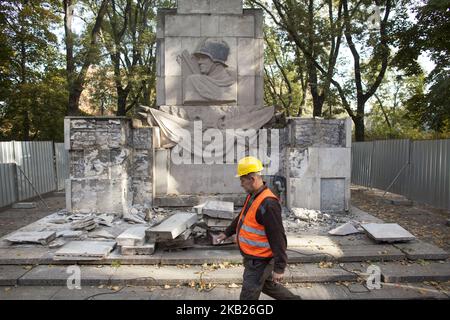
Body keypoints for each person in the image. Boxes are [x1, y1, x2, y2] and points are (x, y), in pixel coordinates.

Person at [216, 156, 301, 300]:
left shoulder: (268, 204)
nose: (241, 184)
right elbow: (242, 217)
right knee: (268, 286)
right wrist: (227, 233)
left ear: (252, 179)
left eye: (242, 180)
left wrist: (279, 268)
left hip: (260, 262)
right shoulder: (253, 196)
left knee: (248, 296)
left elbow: (278, 237)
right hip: (255, 258)